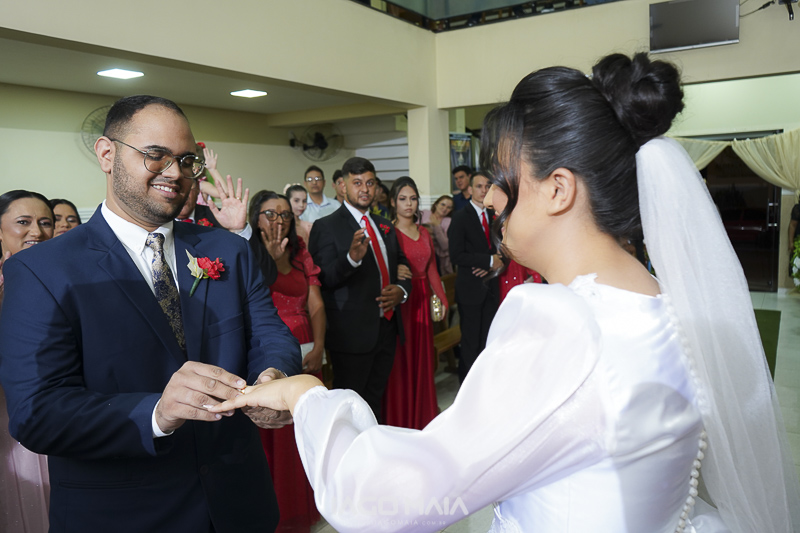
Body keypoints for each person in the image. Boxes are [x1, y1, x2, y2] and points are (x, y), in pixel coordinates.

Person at [211, 52, 800, 533]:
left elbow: (396, 497)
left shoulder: (565, 328)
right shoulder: (666, 305)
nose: (491, 198)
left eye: (502, 178)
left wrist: (309, 397)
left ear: (558, 189)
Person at [0, 95, 301, 533]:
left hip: (237, 501)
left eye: (186, 160)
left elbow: (268, 333)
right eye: (155, 155)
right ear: (107, 154)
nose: (175, 173)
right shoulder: (43, 270)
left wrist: (274, 375)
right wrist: (157, 413)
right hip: (123, 512)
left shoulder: (227, 250)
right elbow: (38, 413)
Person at [307, 156, 411, 420]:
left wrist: (401, 291)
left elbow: (402, 264)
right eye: (357, 183)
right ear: (343, 186)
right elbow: (323, 279)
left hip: (386, 328)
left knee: (376, 399)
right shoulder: (326, 226)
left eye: (370, 183)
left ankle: (373, 443)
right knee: (350, 406)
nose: (365, 189)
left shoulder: (384, 224)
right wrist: (351, 259)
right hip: (351, 334)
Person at [248, 190, 324, 532]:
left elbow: (316, 303)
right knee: (273, 431)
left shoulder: (300, 251)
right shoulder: (246, 251)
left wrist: (319, 345)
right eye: (270, 213)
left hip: (305, 342)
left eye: (284, 214)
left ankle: (302, 503)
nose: (278, 220)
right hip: (265, 354)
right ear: (255, 217)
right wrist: (268, 260)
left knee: (303, 427)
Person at [0, 190, 53, 533]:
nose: (37, 231)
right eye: (24, 222)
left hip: (59, 414)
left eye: (45, 222)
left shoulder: (61, 279)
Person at [382, 177, 447, 430]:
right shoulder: (388, 233)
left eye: (412, 199)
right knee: (402, 361)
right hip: (402, 301)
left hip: (422, 299)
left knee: (422, 359)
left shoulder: (424, 232)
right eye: (402, 199)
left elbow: (431, 269)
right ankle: (401, 419)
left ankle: (423, 416)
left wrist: (441, 297)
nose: (408, 204)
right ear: (393, 202)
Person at [448, 171, 504, 382]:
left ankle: (484, 384)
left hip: (491, 287)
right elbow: (456, 254)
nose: (483, 190)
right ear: (470, 189)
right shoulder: (460, 217)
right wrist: (488, 261)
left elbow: (501, 248)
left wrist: (494, 262)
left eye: (487, 186)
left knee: (487, 340)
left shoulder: (493, 216)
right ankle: (467, 388)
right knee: (470, 343)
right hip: (470, 290)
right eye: (479, 186)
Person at [175, 173, 253, 241]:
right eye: (176, 187)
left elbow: (252, 253)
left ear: (198, 188)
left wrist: (238, 230)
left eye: (188, 185)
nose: (183, 194)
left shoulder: (221, 218)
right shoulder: (166, 223)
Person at [420, 194, 454, 275]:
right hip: (421, 253)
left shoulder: (448, 221)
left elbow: (445, 246)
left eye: (449, 207)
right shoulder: (424, 213)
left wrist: (437, 226)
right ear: (436, 204)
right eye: (443, 204)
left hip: (440, 259)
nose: (445, 209)